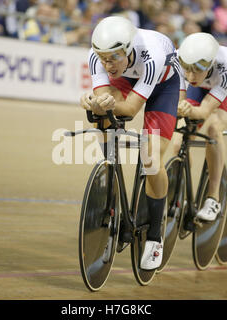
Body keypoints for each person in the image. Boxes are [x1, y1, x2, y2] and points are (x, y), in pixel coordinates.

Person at [80, 16, 186, 270]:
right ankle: (111, 179)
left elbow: (128, 109)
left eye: (112, 58)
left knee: (150, 159)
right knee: (102, 117)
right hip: (129, 77)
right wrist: (95, 103)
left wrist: (105, 102)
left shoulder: (150, 56)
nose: (106, 64)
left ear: (127, 51)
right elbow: (105, 102)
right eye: (102, 58)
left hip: (164, 85)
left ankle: (154, 236)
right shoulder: (98, 57)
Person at [176, 32, 227, 222]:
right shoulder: (180, 60)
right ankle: (181, 192)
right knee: (180, 137)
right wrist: (181, 107)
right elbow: (180, 101)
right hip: (201, 87)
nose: (190, 75)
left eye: (196, 70)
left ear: (210, 64)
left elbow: (204, 111)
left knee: (213, 128)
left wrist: (187, 110)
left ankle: (213, 199)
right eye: (187, 69)